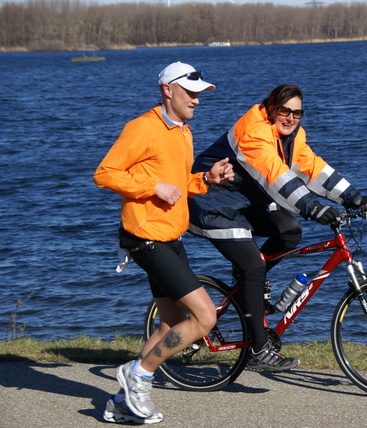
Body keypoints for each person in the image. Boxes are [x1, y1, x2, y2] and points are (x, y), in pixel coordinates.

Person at [188, 84, 367, 372]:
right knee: (253, 265)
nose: (291, 118)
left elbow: (313, 168)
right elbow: (275, 175)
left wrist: (354, 197)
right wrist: (312, 207)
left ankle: (248, 288)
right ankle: (257, 348)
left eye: (297, 113)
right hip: (211, 202)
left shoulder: (293, 135)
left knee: (288, 230)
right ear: (270, 108)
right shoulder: (253, 130)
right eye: (284, 111)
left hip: (244, 202)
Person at [94, 61, 234, 423]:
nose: (197, 100)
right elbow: (105, 173)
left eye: (200, 94)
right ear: (167, 90)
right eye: (191, 93)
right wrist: (151, 187)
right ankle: (138, 374)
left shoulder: (182, 131)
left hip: (171, 236)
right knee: (204, 317)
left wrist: (207, 178)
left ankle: (122, 404)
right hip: (145, 237)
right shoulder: (142, 128)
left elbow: (178, 181)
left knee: (171, 321)